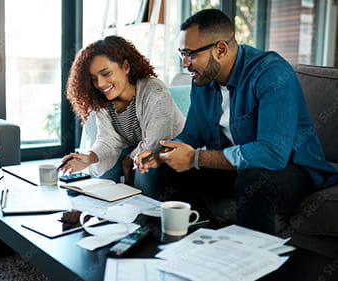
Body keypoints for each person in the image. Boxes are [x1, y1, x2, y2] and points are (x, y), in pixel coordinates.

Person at [135, 9, 338, 234]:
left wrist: (195, 158)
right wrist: (163, 154)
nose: (184, 63)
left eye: (190, 54)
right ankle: (204, 235)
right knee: (159, 172)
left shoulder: (271, 74)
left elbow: (272, 154)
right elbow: (192, 135)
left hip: (291, 169)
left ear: (220, 49)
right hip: (235, 168)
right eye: (181, 54)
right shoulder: (204, 78)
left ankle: (248, 261)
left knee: (255, 179)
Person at [60, 35, 185, 199]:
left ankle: (145, 215)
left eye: (106, 73)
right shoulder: (104, 101)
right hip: (136, 150)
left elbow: (156, 141)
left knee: (143, 170)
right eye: (93, 79)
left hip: (167, 151)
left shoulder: (154, 90)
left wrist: (128, 162)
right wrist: (89, 158)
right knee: (103, 177)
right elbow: (108, 140)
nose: (100, 84)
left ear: (126, 66)